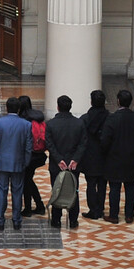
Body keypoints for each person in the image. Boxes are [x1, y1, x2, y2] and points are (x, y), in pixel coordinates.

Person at [102, 89, 134, 224]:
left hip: (114, 158)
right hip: (132, 158)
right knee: (130, 187)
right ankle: (129, 215)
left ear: (118, 101)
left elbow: (105, 140)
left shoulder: (112, 118)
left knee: (114, 188)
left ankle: (114, 215)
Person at [0, 97, 33, 231]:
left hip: (1, 163)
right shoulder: (26, 124)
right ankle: (16, 220)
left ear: (6, 108)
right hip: (18, 163)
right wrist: (26, 162)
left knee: (2, 192)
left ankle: (0, 220)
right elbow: (28, 146)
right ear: (18, 109)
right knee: (17, 192)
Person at [45, 95, 86, 229]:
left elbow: (50, 145)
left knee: (56, 189)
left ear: (57, 107)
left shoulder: (51, 124)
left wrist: (58, 160)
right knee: (74, 190)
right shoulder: (79, 123)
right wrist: (75, 159)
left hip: (57, 165)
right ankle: (73, 220)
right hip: (74, 165)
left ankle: (56, 220)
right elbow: (83, 143)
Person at [80, 90, 110, 220]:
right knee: (102, 184)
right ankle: (100, 208)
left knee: (91, 184)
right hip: (105, 156)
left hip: (90, 157)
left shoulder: (85, 119)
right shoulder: (109, 117)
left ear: (91, 102)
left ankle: (93, 209)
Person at [18, 96, 47, 217]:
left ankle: (29, 208)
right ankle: (38, 206)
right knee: (28, 179)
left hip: (28, 155)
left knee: (26, 180)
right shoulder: (38, 117)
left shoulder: (24, 120)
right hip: (39, 154)